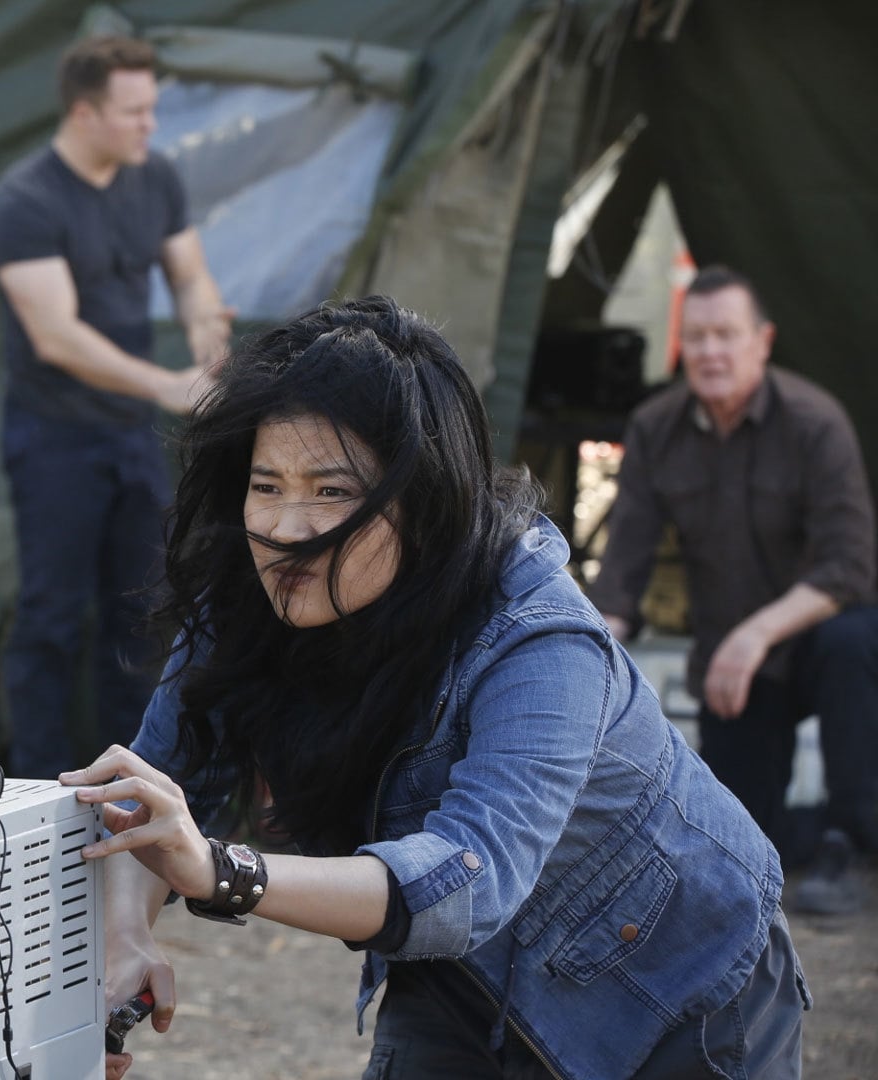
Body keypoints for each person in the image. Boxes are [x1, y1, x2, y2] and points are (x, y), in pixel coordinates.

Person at [61, 296, 807, 1080]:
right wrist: (126, 940)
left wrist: (226, 871)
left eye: (332, 491)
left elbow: (466, 884)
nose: (286, 528)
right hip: (460, 982)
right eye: (267, 485)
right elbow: (153, 794)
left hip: (678, 988)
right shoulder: (252, 597)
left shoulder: (541, 639)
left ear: (421, 500)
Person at [589, 265, 878, 915]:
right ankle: (807, 838)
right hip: (734, 666)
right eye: (696, 337)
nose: (710, 352)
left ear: (763, 341)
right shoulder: (655, 427)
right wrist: (582, 653)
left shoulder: (815, 422)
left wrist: (755, 634)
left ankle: (851, 846)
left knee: (854, 639)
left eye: (726, 334)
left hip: (819, 641)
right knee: (738, 841)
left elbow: (850, 568)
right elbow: (622, 576)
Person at [0, 34, 232, 780]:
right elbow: (56, 335)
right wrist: (165, 385)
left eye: (152, 109)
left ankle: (132, 781)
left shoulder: (154, 178)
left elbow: (189, 274)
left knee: (142, 613)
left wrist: (206, 329)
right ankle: (36, 785)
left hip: (132, 437)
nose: (150, 125)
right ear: (85, 113)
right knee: (52, 620)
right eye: (134, 112)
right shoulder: (26, 200)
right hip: (54, 438)